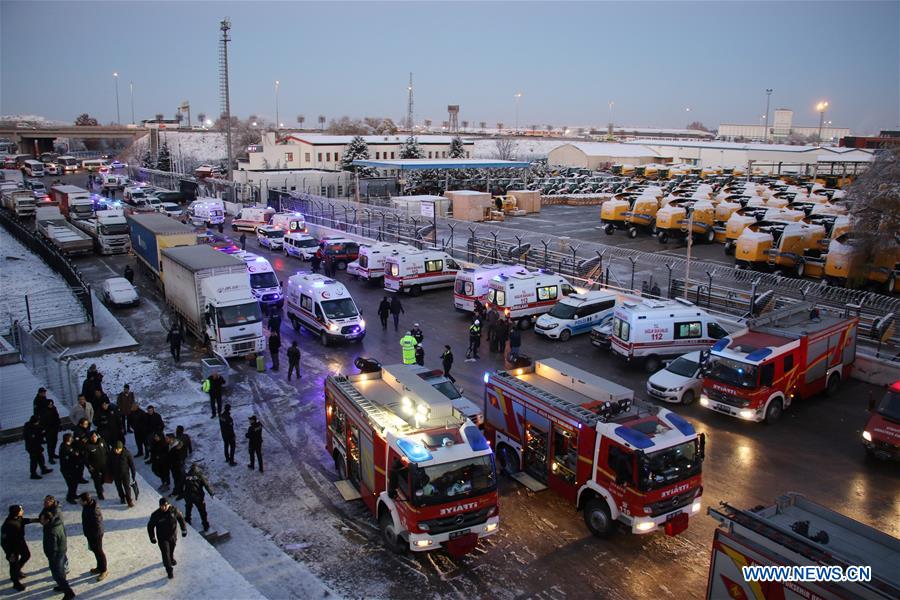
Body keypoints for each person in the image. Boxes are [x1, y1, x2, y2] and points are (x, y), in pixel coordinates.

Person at [39, 496, 74, 600]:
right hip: (61, 549)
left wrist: (51, 557)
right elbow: (41, 515)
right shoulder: (55, 523)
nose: (40, 521)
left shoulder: (51, 531)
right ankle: (62, 586)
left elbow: (52, 547)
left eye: (42, 520)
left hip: (56, 553)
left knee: (57, 574)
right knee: (60, 571)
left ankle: (69, 593)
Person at [147, 497, 187, 580]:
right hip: (162, 538)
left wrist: (184, 529)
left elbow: (180, 519)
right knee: (165, 553)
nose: (164, 507)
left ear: (169, 505)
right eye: (162, 506)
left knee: (171, 549)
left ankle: (171, 558)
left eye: (165, 505)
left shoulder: (174, 510)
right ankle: (169, 570)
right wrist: (152, 537)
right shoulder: (156, 515)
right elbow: (150, 526)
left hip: (172, 536)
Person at [2, 505, 38, 592]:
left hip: (20, 543)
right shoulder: (8, 524)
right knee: (13, 564)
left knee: (26, 555)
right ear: (16, 512)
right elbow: (4, 541)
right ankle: (16, 582)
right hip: (12, 548)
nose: (23, 510)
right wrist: (9, 553)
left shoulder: (18, 518)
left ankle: (18, 570)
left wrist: (36, 520)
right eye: (21, 510)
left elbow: (23, 521)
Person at [80, 492, 108, 581]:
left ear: (85, 501)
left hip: (96, 534)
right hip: (91, 533)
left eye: (80, 501)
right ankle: (99, 567)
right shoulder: (88, 506)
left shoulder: (93, 510)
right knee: (96, 551)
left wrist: (91, 535)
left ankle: (104, 570)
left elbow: (96, 524)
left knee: (99, 551)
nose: (79, 502)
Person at [182, 464, 214, 532]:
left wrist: (182, 494)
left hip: (188, 495)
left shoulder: (186, 475)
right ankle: (205, 524)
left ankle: (188, 520)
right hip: (198, 496)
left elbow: (181, 485)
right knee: (202, 511)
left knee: (188, 508)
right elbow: (206, 485)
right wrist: (211, 493)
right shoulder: (200, 476)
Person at [24, 414, 52, 479]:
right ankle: (33, 474)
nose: (38, 423)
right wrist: (41, 434)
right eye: (37, 422)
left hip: (36, 446)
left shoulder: (34, 426)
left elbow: (40, 432)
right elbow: (33, 438)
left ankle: (43, 469)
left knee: (40, 458)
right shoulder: (29, 428)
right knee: (34, 460)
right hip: (32, 447)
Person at [109, 441, 136, 507]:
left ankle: (129, 500)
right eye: (115, 449)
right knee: (119, 487)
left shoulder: (127, 453)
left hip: (125, 474)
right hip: (116, 474)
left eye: (117, 449)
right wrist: (110, 473)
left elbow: (132, 465)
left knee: (127, 487)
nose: (116, 450)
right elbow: (108, 464)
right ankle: (122, 498)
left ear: (121, 448)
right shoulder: (111, 453)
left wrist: (133, 475)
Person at [84, 431, 108, 499]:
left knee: (104, 477)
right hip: (94, 467)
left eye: (95, 436)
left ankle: (100, 485)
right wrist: (89, 466)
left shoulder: (102, 441)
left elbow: (107, 450)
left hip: (104, 464)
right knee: (96, 480)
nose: (94, 438)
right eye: (92, 437)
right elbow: (85, 459)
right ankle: (99, 492)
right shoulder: (88, 446)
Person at [59, 433, 82, 504]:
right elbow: (72, 455)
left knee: (74, 483)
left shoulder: (65, 446)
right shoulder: (65, 448)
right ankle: (70, 497)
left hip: (71, 468)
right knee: (71, 484)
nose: (72, 439)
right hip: (68, 470)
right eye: (71, 438)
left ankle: (73, 494)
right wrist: (75, 454)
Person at [167, 434, 188, 499]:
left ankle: (181, 493)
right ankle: (177, 491)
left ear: (172, 439)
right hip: (173, 466)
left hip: (178, 466)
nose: (166, 439)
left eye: (167, 438)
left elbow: (183, 455)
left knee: (180, 479)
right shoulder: (170, 445)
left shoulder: (179, 447)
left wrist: (178, 461)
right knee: (176, 479)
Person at [41, 399, 61, 464]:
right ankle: (50, 457)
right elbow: (43, 422)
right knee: (50, 444)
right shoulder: (44, 411)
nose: (51, 405)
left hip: (55, 429)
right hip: (48, 430)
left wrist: (59, 425)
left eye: (52, 404)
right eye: (49, 404)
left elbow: (57, 417)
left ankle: (53, 454)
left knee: (54, 442)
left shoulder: (54, 409)